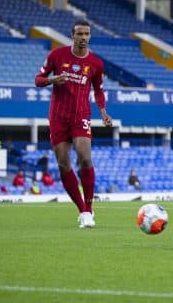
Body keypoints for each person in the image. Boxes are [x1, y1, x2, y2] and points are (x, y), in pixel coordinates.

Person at [34, 19, 113, 228]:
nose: (83, 38)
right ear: (72, 35)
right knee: (63, 163)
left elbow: (98, 90)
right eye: (80, 34)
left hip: (81, 116)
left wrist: (103, 112)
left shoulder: (96, 63)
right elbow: (38, 79)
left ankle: (89, 208)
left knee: (85, 158)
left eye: (87, 34)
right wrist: (52, 80)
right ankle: (82, 210)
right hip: (58, 116)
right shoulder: (56, 56)